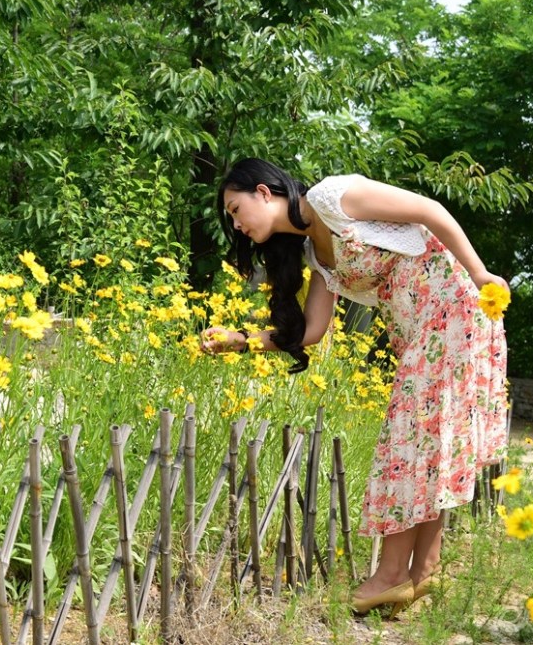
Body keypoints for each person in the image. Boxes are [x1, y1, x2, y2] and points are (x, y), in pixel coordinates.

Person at [202, 158, 509, 616]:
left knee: (407, 444)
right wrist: (242, 341)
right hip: (423, 333)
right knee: (428, 446)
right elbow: (311, 331)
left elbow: (430, 211)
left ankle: (389, 575)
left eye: (234, 208)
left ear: (265, 193)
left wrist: (481, 274)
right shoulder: (315, 256)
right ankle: (422, 574)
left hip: (454, 310)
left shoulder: (334, 196)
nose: (235, 223)